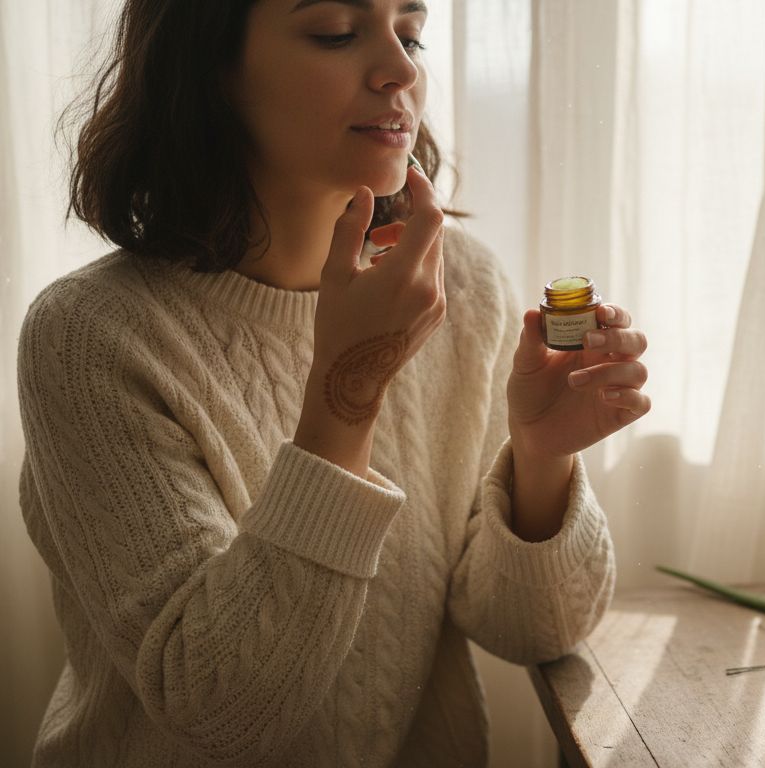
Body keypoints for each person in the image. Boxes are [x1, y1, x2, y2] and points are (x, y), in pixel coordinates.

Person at [16, 0, 649, 765]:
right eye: (336, 33)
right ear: (207, 67)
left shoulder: (461, 285)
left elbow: (531, 630)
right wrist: (347, 393)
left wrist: (542, 459)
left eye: (410, 33)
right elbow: (218, 707)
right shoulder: (92, 338)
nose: (403, 69)